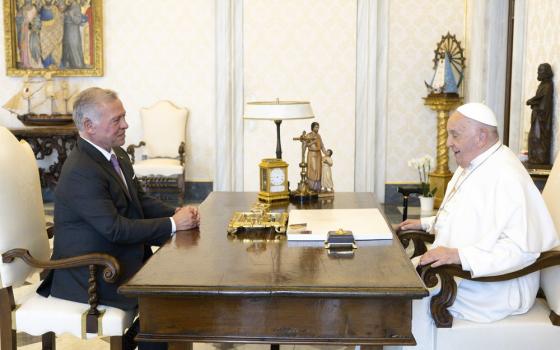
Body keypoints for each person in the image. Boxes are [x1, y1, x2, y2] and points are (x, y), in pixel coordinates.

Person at [37, 87, 199, 350]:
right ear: (89, 126)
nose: (126, 124)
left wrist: (178, 213)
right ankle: (144, 337)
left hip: (114, 254)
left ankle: (136, 337)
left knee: (180, 274)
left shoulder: (116, 154)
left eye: (123, 117)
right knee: (164, 295)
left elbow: (140, 201)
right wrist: (173, 225)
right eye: (116, 120)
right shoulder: (81, 170)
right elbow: (114, 229)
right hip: (92, 270)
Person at [397, 102, 559, 349]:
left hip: (497, 286)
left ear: (481, 136)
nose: (448, 143)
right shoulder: (474, 163)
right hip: (466, 273)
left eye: (455, 135)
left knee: (407, 299)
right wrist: (427, 223)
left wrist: (458, 255)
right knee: (395, 287)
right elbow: (463, 214)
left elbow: (522, 250)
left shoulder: (506, 175)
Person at [526, 63, 554, 165]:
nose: (538, 73)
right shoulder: (542, 84)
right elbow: (539, 98)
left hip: (541, 118)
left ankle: (539, 160)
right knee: (532, 138)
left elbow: (543, 104)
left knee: (537, 138)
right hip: (537, 117)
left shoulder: (547, 86)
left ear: (546, 73)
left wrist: (532, 103)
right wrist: (533, 102)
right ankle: (534, 158)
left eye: (540, 71)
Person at [304, 122, 327, 192]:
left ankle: (317, 188)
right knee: (313, 169)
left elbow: (322, 145)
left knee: (318, 170)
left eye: (318, 127)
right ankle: (311, 187)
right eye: (316, 127)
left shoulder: (319, 136)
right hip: (312, 154)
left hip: (318, 154)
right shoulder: (309, 135)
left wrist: (326, 153)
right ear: (312, 127)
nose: (317, 128)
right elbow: (306, 145)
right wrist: (313, 142)